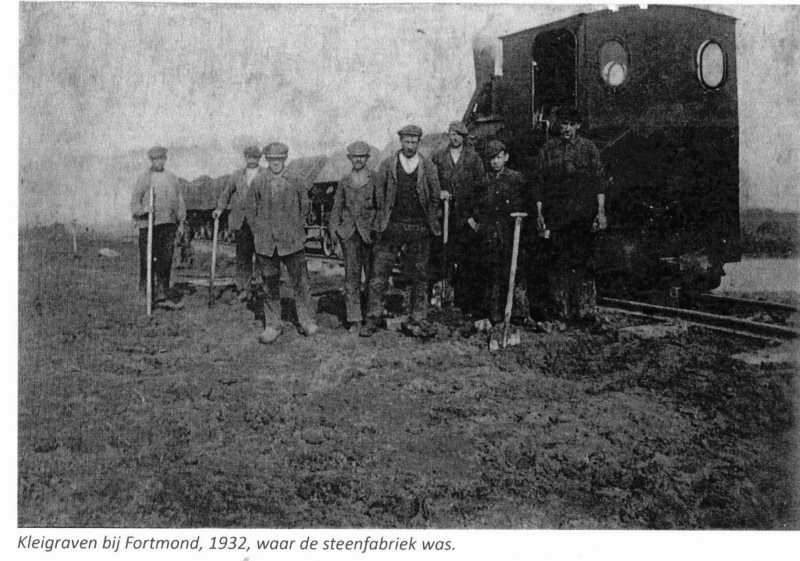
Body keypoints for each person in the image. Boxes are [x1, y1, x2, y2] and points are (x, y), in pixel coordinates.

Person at [360, 125, 442, 338]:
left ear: (419, 143)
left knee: (420, 274)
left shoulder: (429, 167)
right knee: (379, 274)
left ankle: (418, 317)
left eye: (414, 142)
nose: (410, 146)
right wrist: (383, 219)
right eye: (406, 142)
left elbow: (434, 196)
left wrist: (429, 220)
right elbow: (379, 194)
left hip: (419, 227)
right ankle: (373, 316)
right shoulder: (388, 165)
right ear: (401, 142)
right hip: (392, 226)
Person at [532, 107, 607, 322]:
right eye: (563, 123)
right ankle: (561, 313)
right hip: (557, 218)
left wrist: (600, 212)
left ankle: (586, 312)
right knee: (558, 264)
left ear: (577, 126)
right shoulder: (548, 150)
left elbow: (598, 183)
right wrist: (539, 213)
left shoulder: (588, 149)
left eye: (570, 124)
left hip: (583, 217)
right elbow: (538, 184)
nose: (566, 128)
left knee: (584, 263)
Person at [242, 142, 319, 344]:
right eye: (272, 159)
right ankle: (273, 325)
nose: (276, 163)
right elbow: (250, 211)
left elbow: (305, 206)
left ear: (285, 159)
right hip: (267, 244)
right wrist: (259, 232)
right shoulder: (258, 182)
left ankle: (306, 320)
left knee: (301, 282)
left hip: (292, 242)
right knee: (269, 285)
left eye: (279, 159)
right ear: (267, 160)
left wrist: (295, 228)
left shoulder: (295, 180)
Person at [472, 140, 529, 324]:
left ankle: (518, 313)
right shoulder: (483, 181)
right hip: (490, 233)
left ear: (506, 157)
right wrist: (477, 224)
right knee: (492, 272)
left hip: (511, 232)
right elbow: (474, 206)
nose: (495, 162)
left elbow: (527, 203)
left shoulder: (517, 179)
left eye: (498, 157)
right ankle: (494, 313)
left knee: (515, 272)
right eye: (491, 158)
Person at [431, 120, 485, 313]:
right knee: (442, 254)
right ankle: (440, 296)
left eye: (458, 135)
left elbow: (481, 188)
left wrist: (474, 216)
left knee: (465, 259)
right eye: (452, 134)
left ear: (464, 137)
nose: (455, 138)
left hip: (465, 218)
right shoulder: (438, 157)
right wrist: (440, 193)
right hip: (444, 216)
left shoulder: (473, 158)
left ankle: (463, 301)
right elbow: (431, 182)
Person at [329, 141, 379, 331]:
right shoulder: (344, 182)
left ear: (367, 158)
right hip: (349, 234)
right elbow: (336, 208)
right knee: (352, 277)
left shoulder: (374, 178)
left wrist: (378, 228)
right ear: (349, 158)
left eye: (362, 156)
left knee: (373, 276)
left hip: (370, 234)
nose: (358, 159)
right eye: (355, 156)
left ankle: (371, 316)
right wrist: (334, 231)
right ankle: (354, 318)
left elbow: (380, 206)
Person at [130, 145, 186, 310]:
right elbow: (134, 203)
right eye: (156, 159)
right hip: (149, 226)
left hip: (168, 225)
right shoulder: (144, 178)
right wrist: (144, 210)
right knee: (148, 261)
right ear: (151, 160)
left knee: (165, 260)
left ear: (165, 159)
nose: (159, 162)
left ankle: (163, 293)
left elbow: (180, 201)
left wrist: (181, 222)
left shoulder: (172, 178)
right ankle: (146, 294)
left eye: (162, 159)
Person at [212, 145, 264, 300]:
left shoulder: (265, 175)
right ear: (245, 158)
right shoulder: (237, 175)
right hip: (241, 222)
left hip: (260, 222)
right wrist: (219, 209)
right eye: (249, 157)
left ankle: (261, 287)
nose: (252, 160)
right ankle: (243, 288)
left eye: (255, 157)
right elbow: (226, 193)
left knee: (262, 255)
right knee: (243, 256)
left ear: (259, 158)